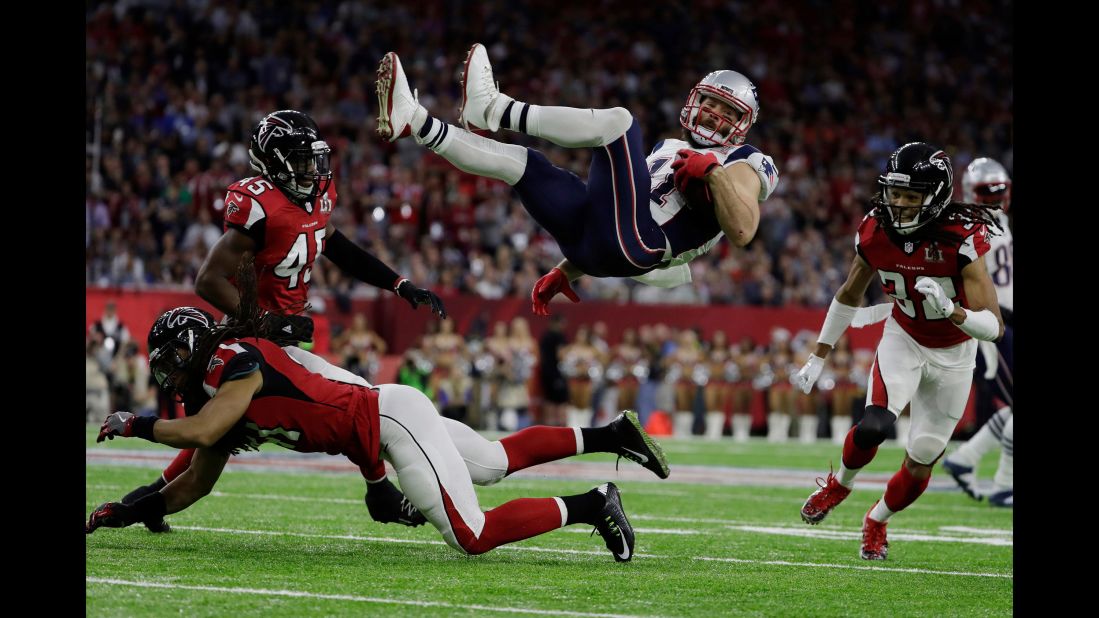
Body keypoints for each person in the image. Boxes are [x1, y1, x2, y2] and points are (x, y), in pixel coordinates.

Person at [87, 276, 671, 561]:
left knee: (473, 536)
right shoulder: (218, 394)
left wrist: (134, 423)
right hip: (385, 419)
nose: (168, 378)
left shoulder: (234, 366)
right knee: (493, 461)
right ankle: (612, 434)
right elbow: (191, 475)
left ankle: (593, 503)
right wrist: (131, 512)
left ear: (193, 351)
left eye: (170, 364)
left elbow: (204, 432)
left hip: (390, 419)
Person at [115, 110, 448, 533]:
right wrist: (268, 323)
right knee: (360, 400)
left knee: (220, 432)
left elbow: (336, 245)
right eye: (300, 158)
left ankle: (147, 501)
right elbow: (208, 280)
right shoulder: (259, 205)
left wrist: (398, 284)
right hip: (253, 334)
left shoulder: (315, 195)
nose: (312, 167)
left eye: (312, 157)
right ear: (274, 161)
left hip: (284, 332)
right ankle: (379, 488)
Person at [374, 44, 779, 314]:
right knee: (524, 165)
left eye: (723, 109)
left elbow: (743, 230)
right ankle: (415, 122)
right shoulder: (670, 146)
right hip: (598, 245)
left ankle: (495, 110)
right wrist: (567, 270)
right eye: (707, 101)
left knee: (620, 123)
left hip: (641, 246)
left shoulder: (747, 161)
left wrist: (713, 173)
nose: (710, 112)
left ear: (742, 124)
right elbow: (619, 209)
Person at [791, 143, 1004, 560]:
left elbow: (994, 326)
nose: (900, 204)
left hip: (955, 354)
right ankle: (841, 483)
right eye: (895, 193)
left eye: (911, 196)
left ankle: (878, 520)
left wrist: (953, 311)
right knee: (873, 425)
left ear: (937, 196)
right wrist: (818, 355)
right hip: (903, 338)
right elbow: (849, 293)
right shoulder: (875, 229)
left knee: (922, 457)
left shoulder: (961, 237)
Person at [941, 157, 1013, 507]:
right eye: (989, 192)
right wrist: (979, 327)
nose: (997, 199)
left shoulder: (995, 222)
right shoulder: (970, 227)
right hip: (995, 325)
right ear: (971, 193)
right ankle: (1003, 485)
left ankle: (965, 458)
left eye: (1000, 191)